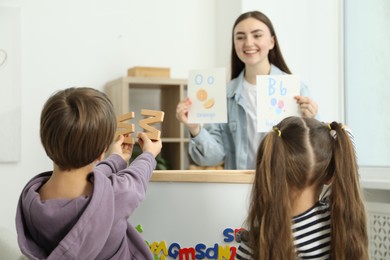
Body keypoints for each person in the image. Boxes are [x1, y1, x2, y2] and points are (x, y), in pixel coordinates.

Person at [15, 87, 161, 260]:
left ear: (47, 141)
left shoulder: (31, 199)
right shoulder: (115, 196)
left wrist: (116, 159)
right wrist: (149, 155)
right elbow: (134, 180)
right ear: (101, 152)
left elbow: (93, 181)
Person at [176, 11, 319, 169]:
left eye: (257, 35)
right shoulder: (224, 95)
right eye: (240, 37)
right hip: (240, 190)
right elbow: (212, 158)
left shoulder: (297, 89)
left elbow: (315, 153)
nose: (248, 43)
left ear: (272, 42)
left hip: (284, 188)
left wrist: (311, 121)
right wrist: (195, 128)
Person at [235, 116, 368, 259]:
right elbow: (346, 138)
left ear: (271, 172)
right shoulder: (338, 218)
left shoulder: (257, 244)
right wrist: (325, 128)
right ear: (330, 175)